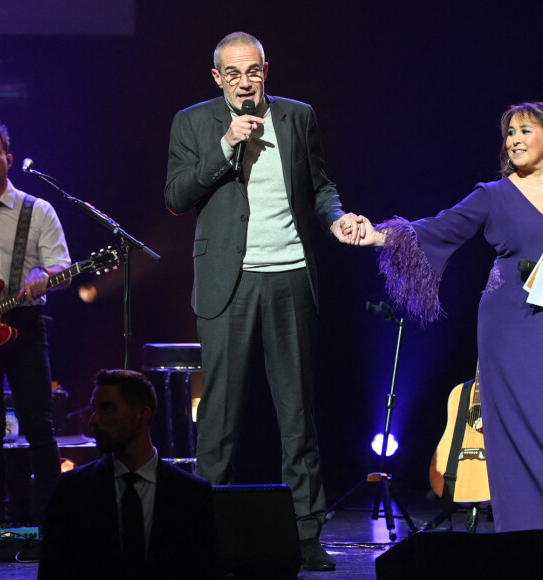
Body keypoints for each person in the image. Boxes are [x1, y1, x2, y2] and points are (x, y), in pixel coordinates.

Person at [165, 31, 363, 571]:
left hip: (291, 278)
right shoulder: (193, 122)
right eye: (233, 74)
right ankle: (199, 535)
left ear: (266, 70)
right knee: (220, 419)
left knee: (297, 415)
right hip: (228, 282)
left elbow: (319, 185)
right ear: (217, 78)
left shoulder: (298, 117)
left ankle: (305, 536)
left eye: (252, 71)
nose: (244, 81)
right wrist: (227, 143)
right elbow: (177, 196)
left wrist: (336, 217)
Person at [342, 101, 543, 533]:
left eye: (526, 130)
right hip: (510, 326)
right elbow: (438, 227)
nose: (515, 140)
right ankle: (527, 535)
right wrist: (377, 235)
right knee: (520, 430)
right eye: (509, 133)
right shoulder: (494, 195)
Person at [0, 117, 71, 528]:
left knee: (38, 426)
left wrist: (41, 277)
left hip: (24, 325)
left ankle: (55, 521)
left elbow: (60, 264)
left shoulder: (38, 210)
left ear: (7, 158)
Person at [38, 369, 218, 580]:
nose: (94, 420)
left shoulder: (191, 494)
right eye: (94, 409)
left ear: (142, 415)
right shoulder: (72, 490)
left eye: (107, 409)